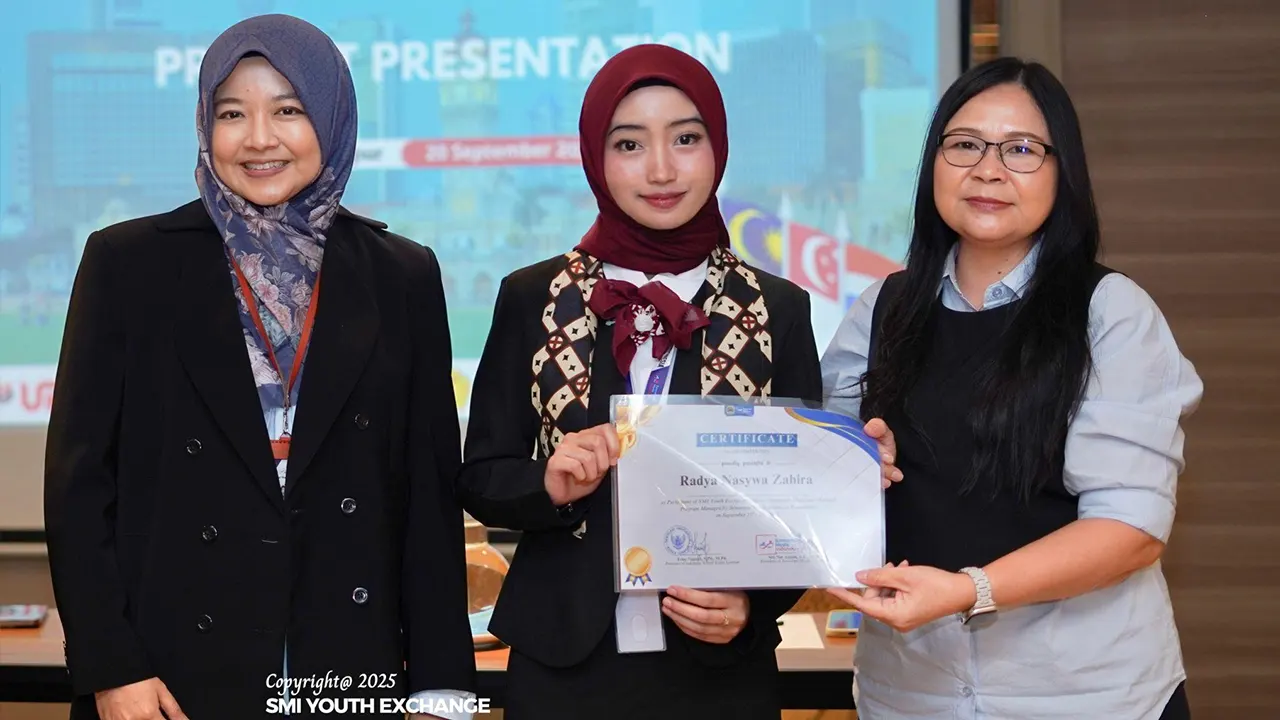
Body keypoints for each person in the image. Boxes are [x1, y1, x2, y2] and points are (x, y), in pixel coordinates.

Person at [43, 14, 474, 720]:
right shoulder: (129, 264)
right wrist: (110, 667)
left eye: (289, 110)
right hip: (167, 673)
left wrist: (442, 690)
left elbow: (427, 501)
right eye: (232, 113)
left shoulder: (402, 276)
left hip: (347, 668)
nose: (259, 138)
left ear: (331, 118)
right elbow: (78, 487)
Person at [455, 44, 888, 719]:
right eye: (629, 143)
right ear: (595, 157)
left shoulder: (775, 307)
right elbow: (481, 475)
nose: (660, 169)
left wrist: (751, 604)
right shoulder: (532, 296)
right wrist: (548, 482)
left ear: (718, 146)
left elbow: (807, 505)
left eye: (686, 138)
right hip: (564, 660)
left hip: (718, 666)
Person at [820, 57, 1202, 719]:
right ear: (933, 162)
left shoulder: (1110, 311)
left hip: (1088, 698)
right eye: (965, 145)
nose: (988, 170)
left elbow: (1131, 526)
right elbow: (819, 480)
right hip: (913, 696)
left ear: (1063, 171)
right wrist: (853, 461)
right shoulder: (881, 308)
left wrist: (969, 590)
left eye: (1021, 150)